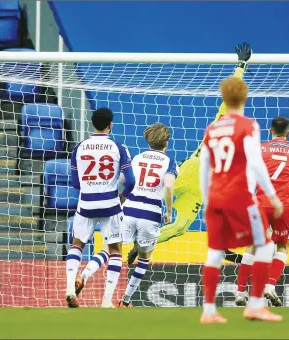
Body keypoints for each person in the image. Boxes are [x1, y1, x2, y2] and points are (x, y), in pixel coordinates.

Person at [127, 42, 253, 265]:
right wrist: (241, 66)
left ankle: (141, 245)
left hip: (203, 183)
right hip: (195, 168)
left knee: (179, 228)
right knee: (152, 194)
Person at [199, 76, 283, 323]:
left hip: (215, 197)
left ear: (223, 99)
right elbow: (255, 162)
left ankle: (209, 311)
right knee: (265, 246)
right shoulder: (248, 126)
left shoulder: (212, 128)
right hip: (239, 196)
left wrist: (207, 199)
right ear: (245, 98)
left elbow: (205, 165)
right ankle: (255, 305)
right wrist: (272, 195)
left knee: (214, 251)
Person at [65, 107, 135, 308]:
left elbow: (75, 184)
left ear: (92, 123)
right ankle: (106, 300)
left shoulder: (79, 147)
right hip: (110, 205)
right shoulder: (118, 147)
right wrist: (122, 196)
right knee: (115, 251)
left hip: (86, 203)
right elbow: (130, 181)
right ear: (110, 125)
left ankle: (70, 288)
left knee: (77, 245)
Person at [235, 116, 289, 307]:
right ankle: (270, 286)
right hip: (283, 206)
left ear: (270, 131)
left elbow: (249, 181)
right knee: (282, 246)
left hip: (260, 203)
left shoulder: (259, 149)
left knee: (252, 246)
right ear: (288, 133)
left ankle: (241, 292)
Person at [118, 123, 177, 307]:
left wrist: (120, 199)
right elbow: (168, 185)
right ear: (166, 142)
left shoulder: (137, 158)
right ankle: (126, 300)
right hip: (150, 213)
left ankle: (87, 275)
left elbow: (122, 181)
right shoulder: (169, 161)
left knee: (111, 251)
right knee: (144, 259)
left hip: (129, 208)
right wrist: (168, 211)